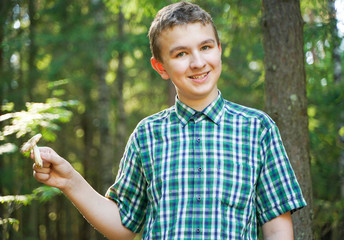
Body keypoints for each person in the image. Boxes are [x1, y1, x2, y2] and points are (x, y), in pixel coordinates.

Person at [32, 1, 307, 239]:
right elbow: (124, 227)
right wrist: (70, 181)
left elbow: (277, 230)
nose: (198, 62)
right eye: (181, 53)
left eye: (206, 47)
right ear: (161, 67)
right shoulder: (147, 134)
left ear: (219, 49)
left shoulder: (257, 129)